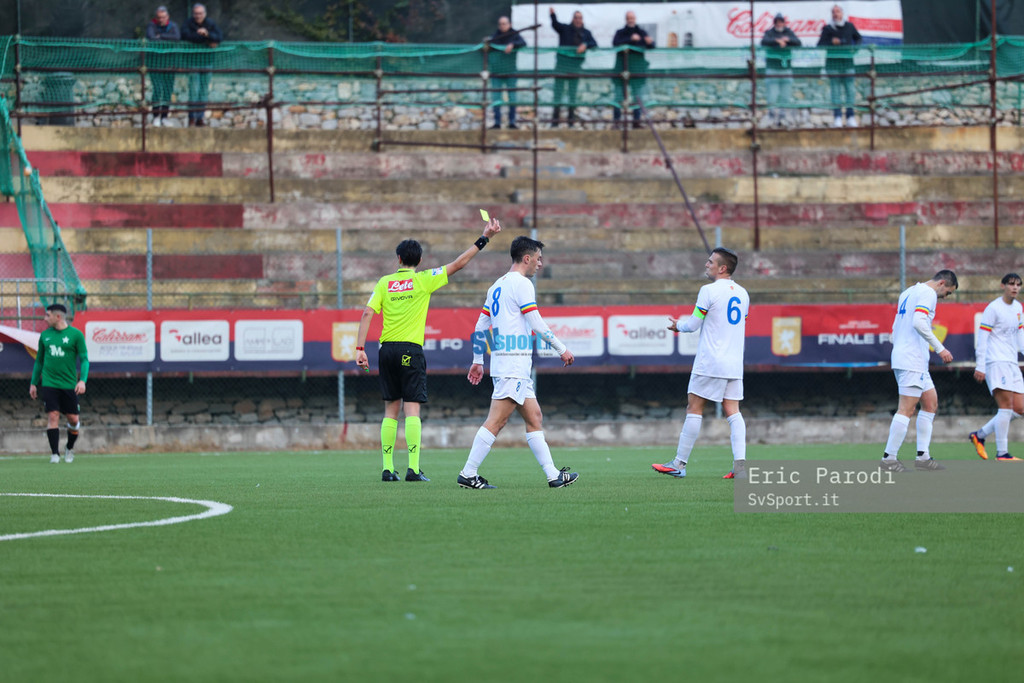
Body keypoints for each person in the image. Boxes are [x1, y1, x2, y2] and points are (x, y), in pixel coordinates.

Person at [356, 218, 502, 482]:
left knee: (390, 410)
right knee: (412, 409)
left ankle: (387, 469)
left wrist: (360, 348)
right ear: (420, 261)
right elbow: (458, 264)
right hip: (410, 351)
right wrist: (484, 238)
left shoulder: (384, 282)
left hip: (386, 350)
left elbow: (367, 313)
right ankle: (413, 469)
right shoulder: (424, 279)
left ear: (399, 258)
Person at [457, 236, 578, 490]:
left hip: (512, 366)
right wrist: (561, 348)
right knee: (496, 421)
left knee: (535, 417)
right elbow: (536, 323)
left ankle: (553, 475)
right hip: (512, 366)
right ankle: (468, 473)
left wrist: (478, 360)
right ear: (527, 258)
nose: (540, 264)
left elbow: (480, 326)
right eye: (538, 259)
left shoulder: (497, 285)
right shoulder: (522, 284)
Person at [653, 248, 750, 480]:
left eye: (710, 262)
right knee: (733, 412)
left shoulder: (708, 291)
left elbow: (693, 324)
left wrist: (678, 325)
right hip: (734, 363)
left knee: (694, 408)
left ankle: (679, 464)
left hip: (711, 361)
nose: (706, 264)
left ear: (722, 268)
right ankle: (740, 467)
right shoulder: (743, 293)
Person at [881, 270, 959, 472]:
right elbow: (918, 322)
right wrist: (940, 349)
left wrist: (900, 345)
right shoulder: (928, 293)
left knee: (930, 403)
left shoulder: (908, 292)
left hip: (912, 358)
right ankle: (889, 459)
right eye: (948, 292)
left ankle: (923, 457)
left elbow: (895, 327)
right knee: (906, 409)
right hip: (911, 359)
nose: (945, 297)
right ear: (942, 283)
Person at [969, 273, 1024, 461]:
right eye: (1011, 284)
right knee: (1005, 407)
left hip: (1012, 362)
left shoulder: (1018, 308)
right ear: (1003, 286)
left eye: (1018, 284)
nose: (1015, 287)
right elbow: (983, 338)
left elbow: (1020, 336)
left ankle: (980, 435)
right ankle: (1002, 453)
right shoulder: (993, 308)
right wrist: (980, 365)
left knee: (1020, 408)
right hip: (996, 362)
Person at [29, 303, 89, 464]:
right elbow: (39, 361)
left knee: (73, 420)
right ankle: (55, 454)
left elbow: (84, 360)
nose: (45, 318)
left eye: (47, 315)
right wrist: (33, 383)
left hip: (69, 384)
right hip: (49, 383)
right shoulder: (45, 336)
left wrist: (82, 381)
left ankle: (69, 447)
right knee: (53, 415)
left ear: (57, 317)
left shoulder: (76, 335)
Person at [549, 8, 597, 127]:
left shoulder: (586, 33)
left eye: (580, 18)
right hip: (561, 66)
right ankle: (555, 121)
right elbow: (555, 25)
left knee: (572, 94)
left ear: (582, 20)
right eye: (576, 17)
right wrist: (553, 15)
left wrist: (585, 45)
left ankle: (571, 120)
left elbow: (594, 44)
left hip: (575, 67)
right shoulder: (565, 29)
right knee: (558, 93)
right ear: (572, 19)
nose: (578, 20)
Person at [817, 4, 861, 128]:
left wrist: (854, 49)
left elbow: (858, 38)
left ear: (842, 13)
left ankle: (850, 116)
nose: (836, 14)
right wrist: (831, 42)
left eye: (838, 11)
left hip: (847, 63)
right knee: (835, 92)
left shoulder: (849, 26)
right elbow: (820, 45)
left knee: (850, 91)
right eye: (833, 12)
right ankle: (837, 117)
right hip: (833, 65)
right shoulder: (827, 29)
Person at [181, 3, 222, 127]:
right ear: (193, 14)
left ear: (204, 14)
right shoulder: (188, 23)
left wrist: (208, 35)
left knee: (204, 91)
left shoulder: (210, 23)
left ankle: (200, 118)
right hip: (193, 62)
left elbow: (219, 37)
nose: (198, 16)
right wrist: (206, 38)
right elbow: (187, 36)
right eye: (196, 13)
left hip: (207, 62)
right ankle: (192, 117)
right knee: (194, 90)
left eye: (200, 13)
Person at [612, 11, 655, 129]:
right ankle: (616, 122)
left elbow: (651, 45)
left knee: (637, 96)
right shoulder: (620, 33)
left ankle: (636, 122)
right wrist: (630, 39)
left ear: (635, 19)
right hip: (621, 69)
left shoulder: (641, 32)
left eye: (632, 18)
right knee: (618, 96)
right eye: (629, 18)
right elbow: (615, 43)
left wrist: (650, 42)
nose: (631, 20)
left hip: (637, 70)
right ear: (626, 19)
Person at [761, 12, 801, 127]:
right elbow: (764, 42)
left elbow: (798, 43)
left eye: (781, 22)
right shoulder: (769, 33)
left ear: (784, 22)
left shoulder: (788, 32)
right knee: (772, 95)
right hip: (772, 68)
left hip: (786, 68)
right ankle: (771, 116)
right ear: (774, 23)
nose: (779, 24)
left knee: (785, 95)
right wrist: (777, 41)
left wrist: (787, 40)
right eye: (777, 22)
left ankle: (783, 117)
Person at [487, 16, 527, 130]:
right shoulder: (495, 35)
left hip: (511, 71)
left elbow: (523, 43)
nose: (502, 26)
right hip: (496, 72)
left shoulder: (515, 34)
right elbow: (488, 44)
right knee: (496, 98)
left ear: (509, 24)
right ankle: (497, 123)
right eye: (500, 24)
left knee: (512, 98)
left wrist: (512, 44)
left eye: (504, 23)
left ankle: (512, 122)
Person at [146, 5, 181, 127]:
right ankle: (156, 116)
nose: (161, 19)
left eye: (163, 17)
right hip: (155, 64)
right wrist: (165, 39)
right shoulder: (152, 25)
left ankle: (164, 117)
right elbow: (151, 38)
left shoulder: (173, 26)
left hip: (170, 64)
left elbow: (176, 37)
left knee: (167, 90)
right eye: (159, 17)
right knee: (157, 89)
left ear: (168, 17)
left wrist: (160, 36)